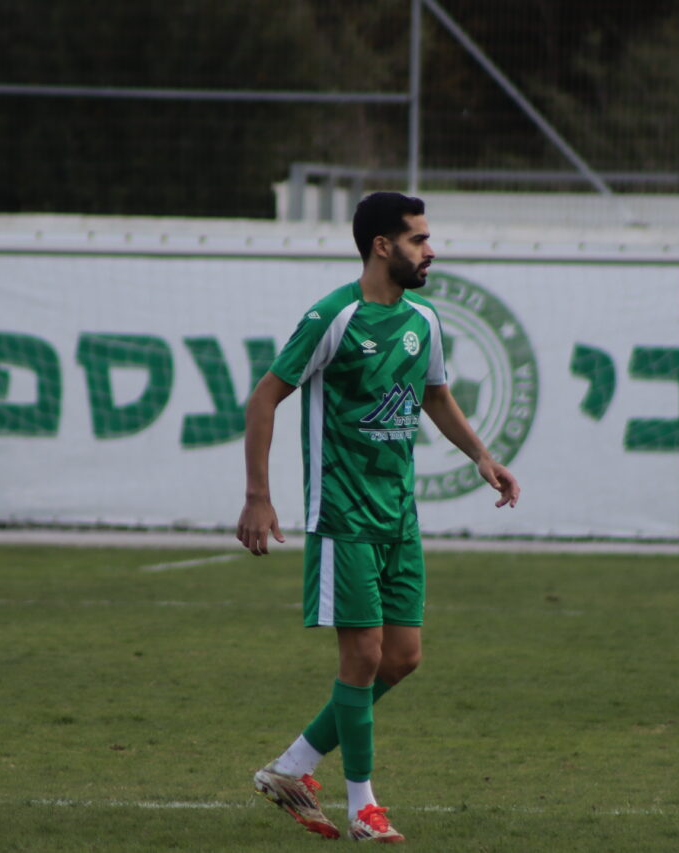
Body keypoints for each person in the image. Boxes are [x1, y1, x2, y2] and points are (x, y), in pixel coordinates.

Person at [236, 191, 520, 843]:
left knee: (402, 657)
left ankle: (292, 767)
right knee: (363, 656)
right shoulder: (333, 316)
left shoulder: (424, 319)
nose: (431, 250)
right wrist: (258, 495)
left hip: (399, 514)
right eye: (419, 239)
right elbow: (264, 399)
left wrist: (482, 456)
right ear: (382, 246)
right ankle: (363, 806)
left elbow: (435, 396)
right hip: (343, 514)